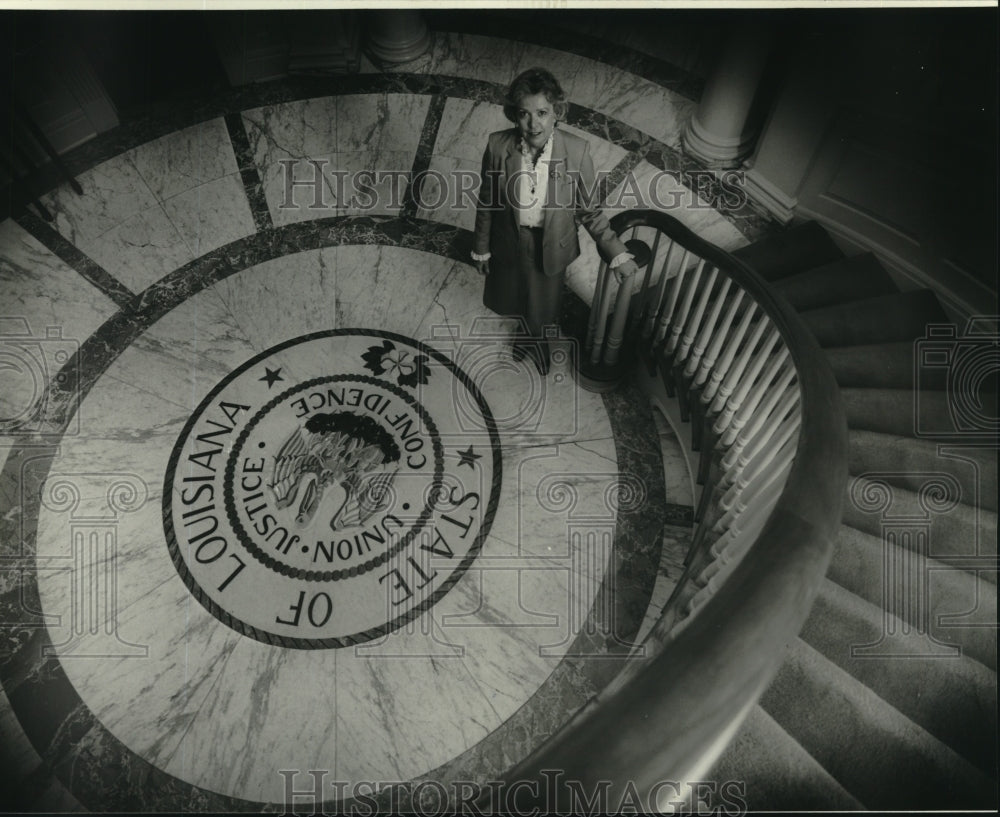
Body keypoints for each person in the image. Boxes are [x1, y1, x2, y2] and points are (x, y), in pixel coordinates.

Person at [472, 67, 639, 375]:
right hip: (510, 239)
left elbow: (589, 210)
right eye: (524, 114)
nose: (533, 123)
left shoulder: (576, 152)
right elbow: (488, 201)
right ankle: (525, 335)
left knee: (544, 305)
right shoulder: (498, 146)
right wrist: (481, 246)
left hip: (552, 243)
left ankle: (540, 342)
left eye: (542, 112)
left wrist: (617, 252)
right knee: (515, 295)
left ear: (557, 113)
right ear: (514, 114)